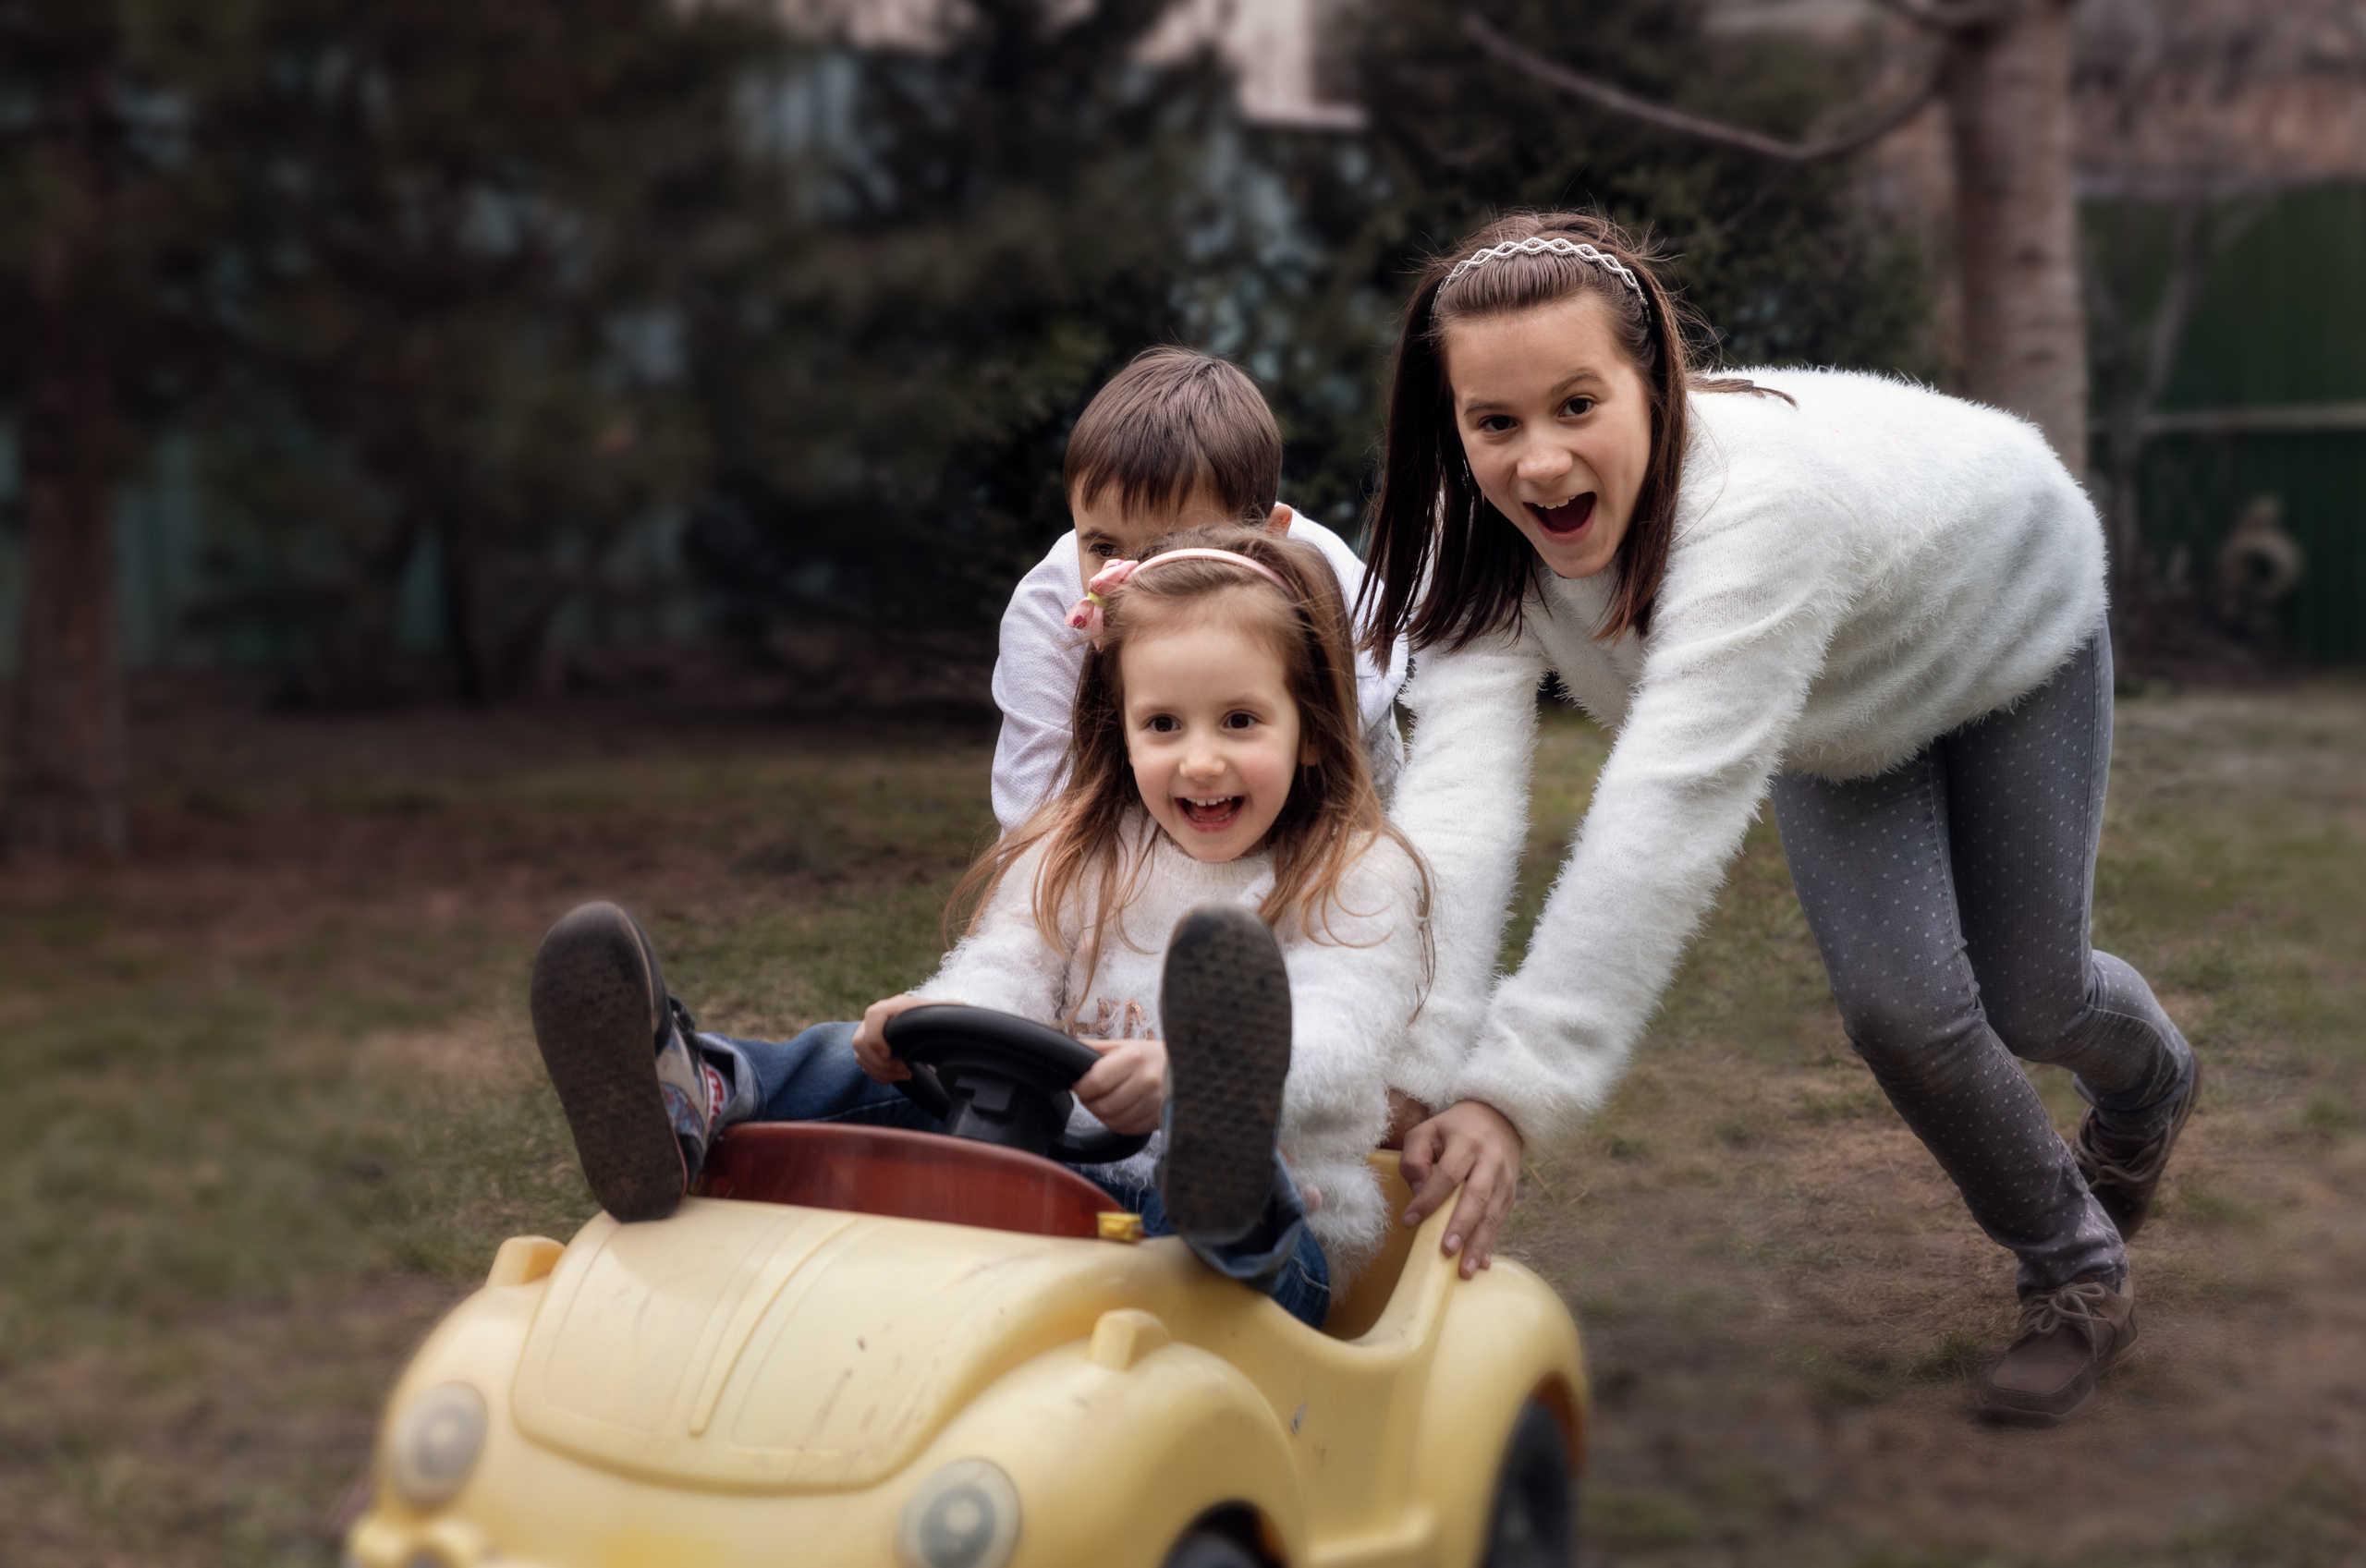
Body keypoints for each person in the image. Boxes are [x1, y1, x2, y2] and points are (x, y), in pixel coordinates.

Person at [1365, 212, 2200, 1425]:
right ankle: (2077, 1272)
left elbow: (1664, 811)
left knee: (2036, 997)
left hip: (2006, 616)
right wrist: (1422, 1061)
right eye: (1496, 423)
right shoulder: (1480, 544)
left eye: (1577, 405)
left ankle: (2148, 1088)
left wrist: (1512, 1089)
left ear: (1655, 383)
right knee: (1903, 1014)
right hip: (1838, 697)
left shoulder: (1757, 515)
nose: (1538, 463)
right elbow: (1462, 807)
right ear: (1454, 425)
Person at [529, 526, 1431, 1329]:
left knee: (1223, 1210)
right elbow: (1003, 969)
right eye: (1162, 723)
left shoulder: (1355, 873)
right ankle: (697, 1090)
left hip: (1271, 1233)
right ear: (1120, 731)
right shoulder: (1081, 849)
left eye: (1239, 720)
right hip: (1056, 1171)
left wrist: (1193, 1076)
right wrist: (929, 1018)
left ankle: (1221, 1180)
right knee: (850, 1051)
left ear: (1312, 727)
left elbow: (1342, 1042)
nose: (1199, 759)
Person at [992, 346, 1411, 833]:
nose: (1132, 580)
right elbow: (1038, 821)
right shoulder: (1048, 616)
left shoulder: (1335, 602)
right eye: (1104, 547)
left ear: (1267, 537)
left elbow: (1360, 799)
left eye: (1171, 548)